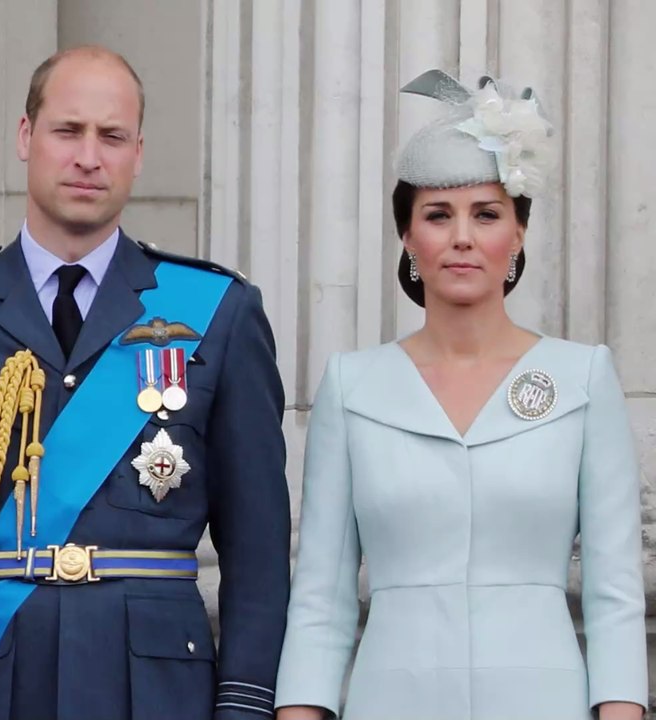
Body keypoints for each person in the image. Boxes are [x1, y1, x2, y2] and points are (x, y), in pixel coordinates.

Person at [0, 46, 291, 720]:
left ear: (137, 153)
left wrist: (245, 704)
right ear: (26, 137)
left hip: (154, 693)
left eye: (112, 137)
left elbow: (258, 549)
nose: (89, 156)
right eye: (68, 130)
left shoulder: (217, 313)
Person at [274, 70, 648, 720]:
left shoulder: (582, 377)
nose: (463, 237)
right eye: (438, 216)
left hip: (545, 702)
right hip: (391, 700)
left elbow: (615, 591)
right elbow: (321, 597)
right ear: (409, 238)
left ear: (519, 233)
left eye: (487, 214)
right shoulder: (352, 386)